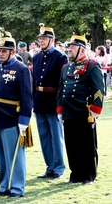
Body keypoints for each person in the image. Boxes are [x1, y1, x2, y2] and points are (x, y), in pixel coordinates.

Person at [0, 28, 32, 198]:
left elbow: (26, 96)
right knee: (1, 155)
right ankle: (4, 185)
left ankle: (17, 187)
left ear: (12, 52)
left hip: (11, 117)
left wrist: (24, 119)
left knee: (14, 155)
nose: (0, 53)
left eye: (4, 51)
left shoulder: (21, 69)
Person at [57, 35, 104, 184]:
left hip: (85, 112)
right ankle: (75, 174)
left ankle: (89, 175)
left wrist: (96, 109)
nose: (69, 49)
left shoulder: (92, 65)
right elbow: (60, 89)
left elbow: (98, 90)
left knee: (87, 146)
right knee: (71, 145)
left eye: (73, 47)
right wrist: (59, 109)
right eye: (69, 47)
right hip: (68, 111)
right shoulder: (66, 67)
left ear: (82, 50)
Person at [33, 24, 67, 179]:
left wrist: (60, 104)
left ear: (52, 40)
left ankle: (59, 167)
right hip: (39, 101)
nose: (42, 41)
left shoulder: (61, 57)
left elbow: (62, 83)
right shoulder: (36, 57)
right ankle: (50, 167)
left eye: (44, 38)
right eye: (40, 38)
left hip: (53, 101)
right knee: (44, 137)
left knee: (56, 136)